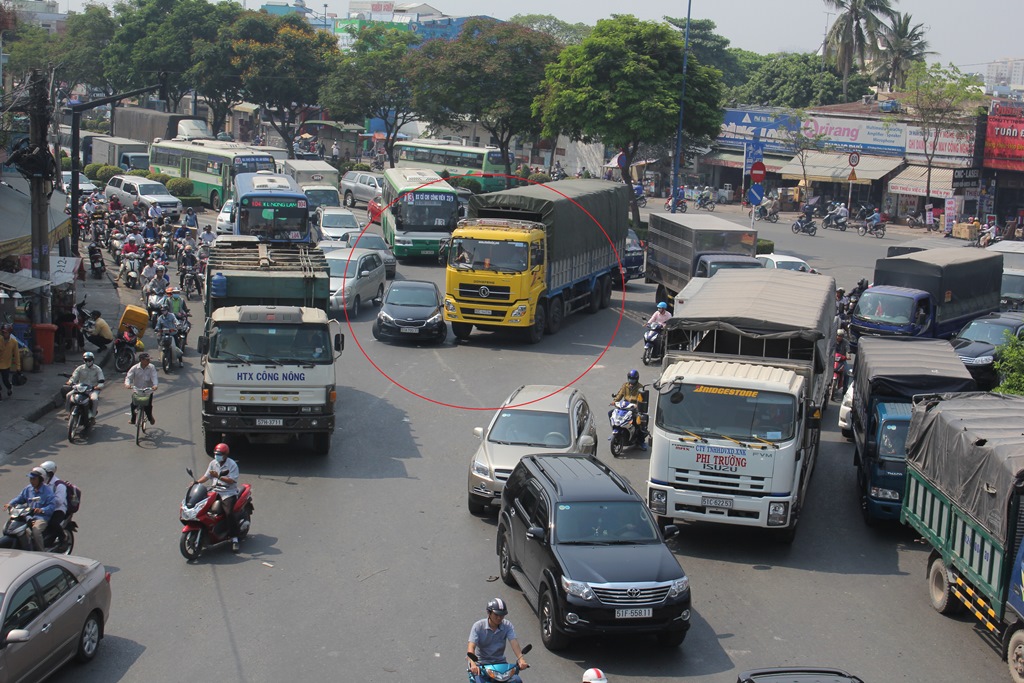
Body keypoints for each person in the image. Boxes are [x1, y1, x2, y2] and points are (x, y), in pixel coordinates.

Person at [467, 598, 528, 683]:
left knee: (517, 681)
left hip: (500, 664)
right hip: (482, 666)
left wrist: (521, 659)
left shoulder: (507, 625)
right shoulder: (478, 626)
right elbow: (471, 647)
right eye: (496, 615)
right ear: (489, 613)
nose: (499, 618)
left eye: (502, 615)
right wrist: (473, 664)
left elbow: (514, 642)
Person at [195, 443, 242, 552]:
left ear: (226, 455)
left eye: (220, 454)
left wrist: (219, 476)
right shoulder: (213, 463)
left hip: (228, 492)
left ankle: (234, 538)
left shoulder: (232, 465)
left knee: (229, 513)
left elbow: (232, 480)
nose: (217, 456)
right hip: (214, 490)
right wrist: (196, 482)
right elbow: (206, 476)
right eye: (216, 454)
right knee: (202, 507)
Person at [5, 467, 54, 551]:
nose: (31, 481)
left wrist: (42, 510)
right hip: (27, 515)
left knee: (36, 531)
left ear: (40, 479)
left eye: (34, 479)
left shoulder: (48, 491)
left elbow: (52, 506)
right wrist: (10, 504)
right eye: (30, 479)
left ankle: (41, 552)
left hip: (41, 517)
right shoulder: (28, 489)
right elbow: (19, 498)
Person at [611, 369, 647, 450]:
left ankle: (641, 441)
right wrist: (614, 401)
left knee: (638, 421)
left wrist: (637, 405)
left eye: (633, 379)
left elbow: (641, 399)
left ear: (637, 379)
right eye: (630, 378)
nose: (631, 380)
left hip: (634, 408)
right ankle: (615, 431)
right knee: (611, 414)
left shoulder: (640, 388)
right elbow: (620, 395)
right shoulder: (625, 385)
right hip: (624, 406)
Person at [67, 351, 105, 420]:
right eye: (86, 360)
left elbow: (101, 381)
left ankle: (93, 416)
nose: (88, 361)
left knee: (94, 399)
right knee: (68, 395)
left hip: (92, 389)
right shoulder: (80, 368)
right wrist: (70, 382)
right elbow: (74, 377)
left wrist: (98, 386)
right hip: (80, 388)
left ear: (93, 360)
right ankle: (68, 413)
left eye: (89, 360)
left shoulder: (97, 369)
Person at [38, 461, 68, 545]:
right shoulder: (41, 483)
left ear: (50, 473)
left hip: (57, 509)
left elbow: (59, 501)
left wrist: (46, 500)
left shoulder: (59, 485)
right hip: (44, 508)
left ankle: (63, 538)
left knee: (53, 523)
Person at [125, 352, 158, 426]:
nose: (149, 361)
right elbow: (128, 377)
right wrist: (127, 384)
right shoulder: (134, 368)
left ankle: (150, 418)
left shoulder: (151, 367)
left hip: (148, 391)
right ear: (141, 360)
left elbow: (154, 377)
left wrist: (155, 385)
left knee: (148, 407)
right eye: (147, 360)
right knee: (133, 405)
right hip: (137, 390)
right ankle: (133, 419)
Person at [0, 323, 20, 400]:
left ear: (9, 333)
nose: (4, 334)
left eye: (6, 332)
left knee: (5, 380)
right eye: (3, 332)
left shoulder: (14, 342)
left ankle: (9, 387)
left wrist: (18, 367)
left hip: (6, 364)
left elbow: (17, 355)